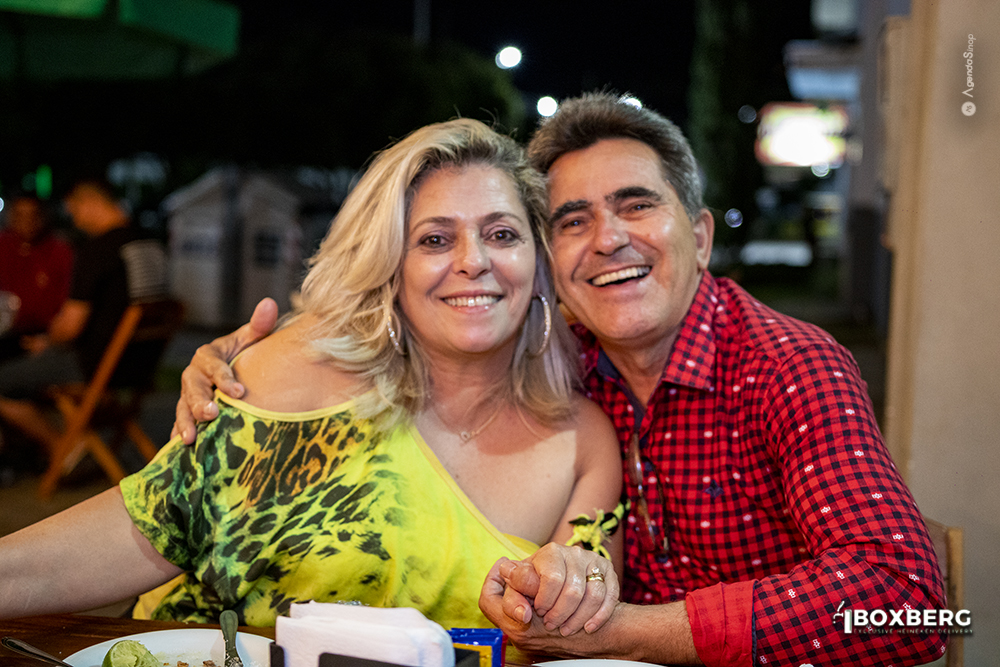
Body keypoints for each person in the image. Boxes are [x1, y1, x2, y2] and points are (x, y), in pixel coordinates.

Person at [176, 94, 947, 666]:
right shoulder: (550, 358)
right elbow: (396, 340)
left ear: (700, 236)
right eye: (573, 220)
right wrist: (241, 367)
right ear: (549, 260)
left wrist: (634, 632)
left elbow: (912, 602)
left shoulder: (788, 368)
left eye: (636, 205)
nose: (607, 239)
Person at [0, 119, 622, 630]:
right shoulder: (300, 374)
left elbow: (584, 614)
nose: (473, 261)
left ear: (537, 263)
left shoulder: (580, 440)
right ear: (390, 266)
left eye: (502, 233)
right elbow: (146, 528)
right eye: (434, 240)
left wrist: (578, 587)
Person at [0, 179, 162, 452]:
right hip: (142, 363)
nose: (75, 220)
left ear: (89, 203)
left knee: (5, 379)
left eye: (74, 211)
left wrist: (48, 341)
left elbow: (70, 326)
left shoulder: (99, 250)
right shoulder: (150, 245)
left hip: (97, 365)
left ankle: (62, 450)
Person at [0, 193, 74, 362]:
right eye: (20, 215)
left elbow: (70, 302)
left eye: (33, 215)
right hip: (6, 334)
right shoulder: (3, 246)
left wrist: (51, 339)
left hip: (45, 337)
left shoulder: (60, 251)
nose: (27, 221)